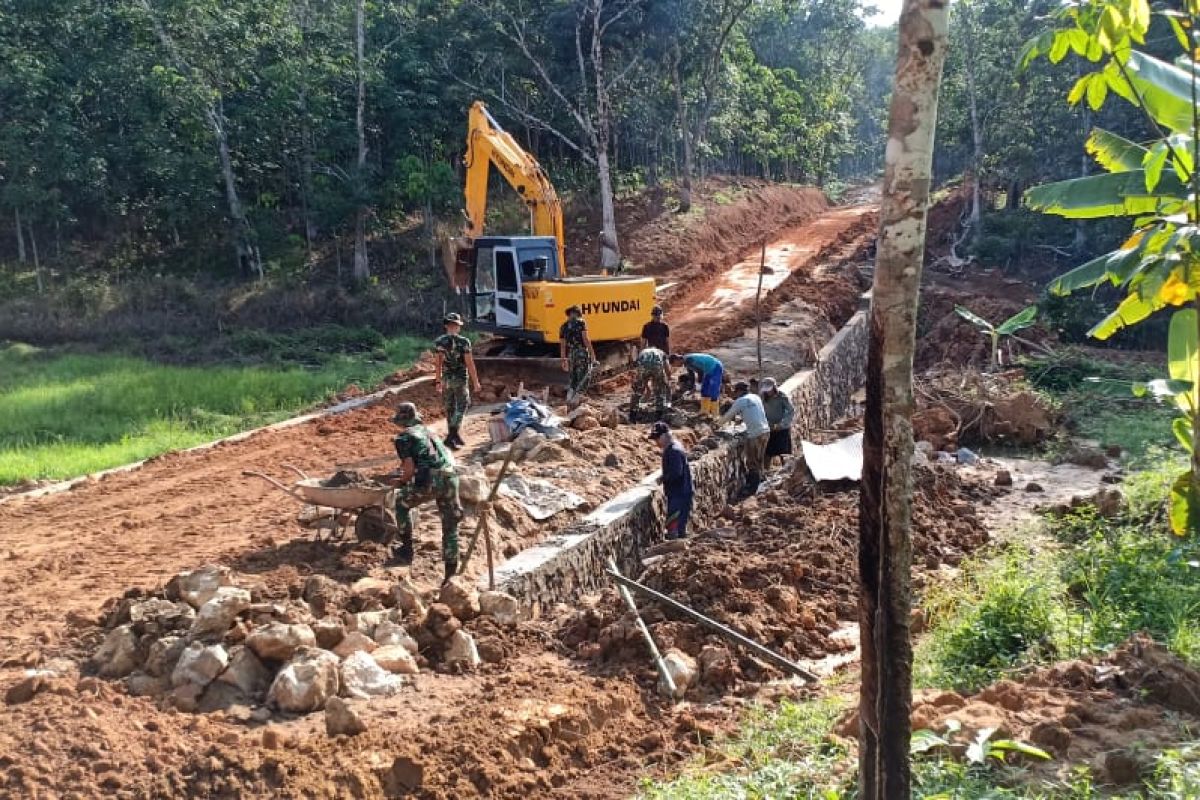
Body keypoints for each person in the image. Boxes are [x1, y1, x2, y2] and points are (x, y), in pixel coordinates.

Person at [388, 402, 463, 583]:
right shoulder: (429, 432)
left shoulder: (403, 438)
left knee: (401, 502)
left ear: (401, 421)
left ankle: (406, 550)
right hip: (451, 477)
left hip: (432, 480)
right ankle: (450, 574)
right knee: (450, 524)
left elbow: (408, 468)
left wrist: (400, 482)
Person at [433, 313, 481, 451]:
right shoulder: (464, 342)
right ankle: (452, 435)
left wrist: (438, 381)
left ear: (446, 326)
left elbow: (438, 363)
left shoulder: (439, 341)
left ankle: (454, 435)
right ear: (458, 327)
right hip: (460, 379)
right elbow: (470, 363)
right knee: (463, 404)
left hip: (446, 379)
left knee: (450, 408)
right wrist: (476, 382)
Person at [718, 381, 770, 494]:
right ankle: (762, 480)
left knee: (752, 462)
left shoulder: (740, 401)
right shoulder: (756, 397)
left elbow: (728, 416)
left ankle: (752, 488)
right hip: (765, 430)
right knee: (759, 458)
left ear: (739, 391)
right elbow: (753, 412)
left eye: (735, 392)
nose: (734, 394)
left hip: (754, 434)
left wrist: (716, 425)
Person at [649, 421, 693, 540]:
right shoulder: (674, 447)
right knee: (678, 525)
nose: (656, 442)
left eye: (657, 439)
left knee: (674, 525)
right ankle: (679, 544)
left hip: (679, 493)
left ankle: (675, 547)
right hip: (681, 491)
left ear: (664, 436)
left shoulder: (673, 451)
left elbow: (676, 473)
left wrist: (663, 479)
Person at [559, 305, 597, 404]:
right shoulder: (581, 323)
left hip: (571, 354)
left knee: (573, 377)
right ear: (575, 313)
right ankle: (575, 401)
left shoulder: (563, 326)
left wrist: (563, 360)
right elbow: (586, 339)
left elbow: (562, 345)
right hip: (581, 353)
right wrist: (593, 356)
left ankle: (569, 398)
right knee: (583, 376)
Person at [669, 352, 723, 417]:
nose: (677, 367)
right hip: (708, 370)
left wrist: (698, 385)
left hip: (715, 367)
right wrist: (692, 387)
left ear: (676, 360)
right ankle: (704, 412)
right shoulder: (686, 362)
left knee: (713, 391)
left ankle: (715, 414)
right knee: (704, 391)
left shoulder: (689, 360)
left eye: (675, 365)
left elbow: (700, 371)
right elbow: (692, 375)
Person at [760, 377, 795, 466]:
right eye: (766, 390)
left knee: (783, 453)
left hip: (781, 429)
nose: (768, 392)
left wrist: (782, 424)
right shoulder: (763, 397)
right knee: (768, 453)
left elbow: (790, 411)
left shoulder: (782, 397)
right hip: (769, 428)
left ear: (774, 388)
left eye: (770, 390)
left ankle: (786, 471)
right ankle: (766, 471)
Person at [630, 346, 671, 421]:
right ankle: (659, 415)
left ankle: (632, 414)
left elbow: (636, 366)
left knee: (638, 391)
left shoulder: (643, 352)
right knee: (659, 391)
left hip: (643, 367)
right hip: (657, 366)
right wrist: (668, 378)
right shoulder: (661, 352)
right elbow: (667, 367)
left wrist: (640, 384)